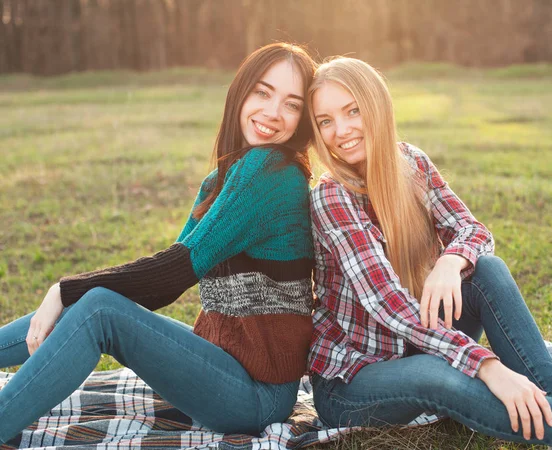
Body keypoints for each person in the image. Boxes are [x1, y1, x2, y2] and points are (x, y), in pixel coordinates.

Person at [0, 42, 316, 443]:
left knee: (99, 308)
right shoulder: (222, 181)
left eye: (292, 104)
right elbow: (158, 278)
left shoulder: (271, 173)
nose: (272, 112)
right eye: (262, 92)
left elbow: (169, 276)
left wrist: (63, 290)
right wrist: (66, 296)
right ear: (241, 92)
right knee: (101, 302)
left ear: (303, 120)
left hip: (258, 395)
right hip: (226, 368)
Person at [305, 57, 552, 449]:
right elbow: (390, 307)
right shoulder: (330, 195)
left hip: (420, 340)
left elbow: (473, 230)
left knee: (486, 270)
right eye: (325, 121)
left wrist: (449, 261)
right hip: (354, 380)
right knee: (435, 373)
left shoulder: (411, 161)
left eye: (352, 110)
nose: (341, 131)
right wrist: (487, 366)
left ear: (376, 106)